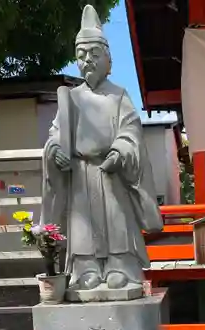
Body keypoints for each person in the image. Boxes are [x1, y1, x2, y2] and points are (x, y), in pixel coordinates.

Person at [40, 4, 162, 294]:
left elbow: (131, 132)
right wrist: (56, 150)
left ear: (108, 59)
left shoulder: (119, 95)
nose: (88, 61)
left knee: (117, 221)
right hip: (81, 174)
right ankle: (87, 270)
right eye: (81, 56)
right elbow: (55, 134)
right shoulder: (71, 98)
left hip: (112, 173)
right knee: (82, 228)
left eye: (94, 54)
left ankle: (121, 267)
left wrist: (120, 152)